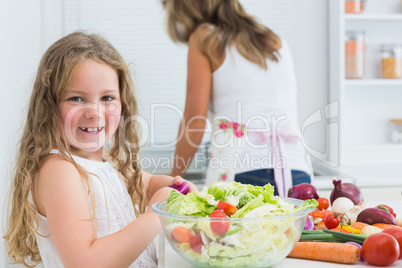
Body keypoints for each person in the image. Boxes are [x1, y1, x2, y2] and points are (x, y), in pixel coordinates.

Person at [3, 31, 196, 268]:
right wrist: (157, 214)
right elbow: (86, 262)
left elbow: (145, 184)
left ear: (123, 103)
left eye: (107, 98)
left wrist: (172, 187)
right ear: (49, 106)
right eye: (76, 98)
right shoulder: (60, 172)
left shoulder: (108, 162)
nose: (94, 112)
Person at [162, 0, 312, 196]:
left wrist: (173, 180)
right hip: (297, 172)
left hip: (242, 170)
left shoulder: (204, 38)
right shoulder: (273, 39)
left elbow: (194, 122)